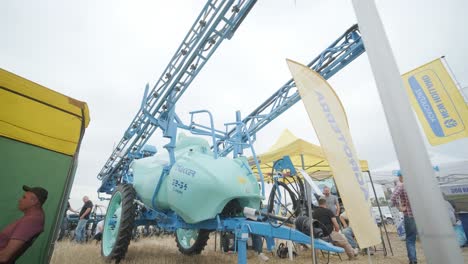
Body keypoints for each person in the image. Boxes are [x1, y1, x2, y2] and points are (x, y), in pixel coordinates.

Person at [0, 185, 48, 263]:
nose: (20, 200)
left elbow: (4, 257)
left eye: (24, 197)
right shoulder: (33, 217)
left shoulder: (31, 221)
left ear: (34, 201)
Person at [390, 171, 417, 264]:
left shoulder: (401, 185)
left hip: (410, 215)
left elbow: (392, 198)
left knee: (410, 239)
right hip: (422, 215)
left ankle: (413, 261)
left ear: (401, 177)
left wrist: (399, 207)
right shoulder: (416, 184)